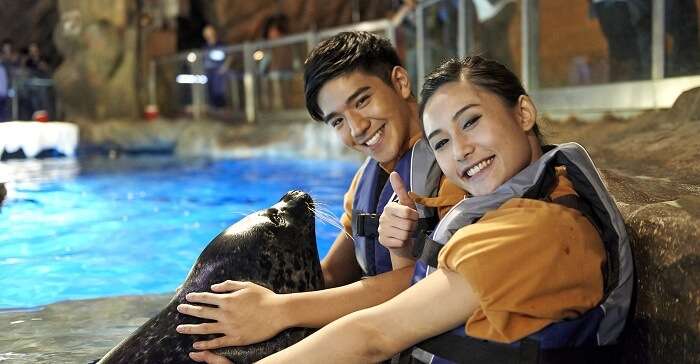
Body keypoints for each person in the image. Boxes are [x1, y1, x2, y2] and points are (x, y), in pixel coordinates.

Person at [256, 56, 634, 363]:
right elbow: (416, 302)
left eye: (471, 121)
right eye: (441, 143)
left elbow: (375, 336)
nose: (461, 151)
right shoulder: (514, 205)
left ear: (523, 113)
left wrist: (278, 312)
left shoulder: (536, 229)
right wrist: (401, 252)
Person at [177, 31, 463, 363]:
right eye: (338, 120)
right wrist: (242, 305)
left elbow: (423, 287)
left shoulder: (452, 168)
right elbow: (330, 276)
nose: (357, 128)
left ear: (399, 82)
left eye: (362, 101)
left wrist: (281, 310)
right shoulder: (366, 179)